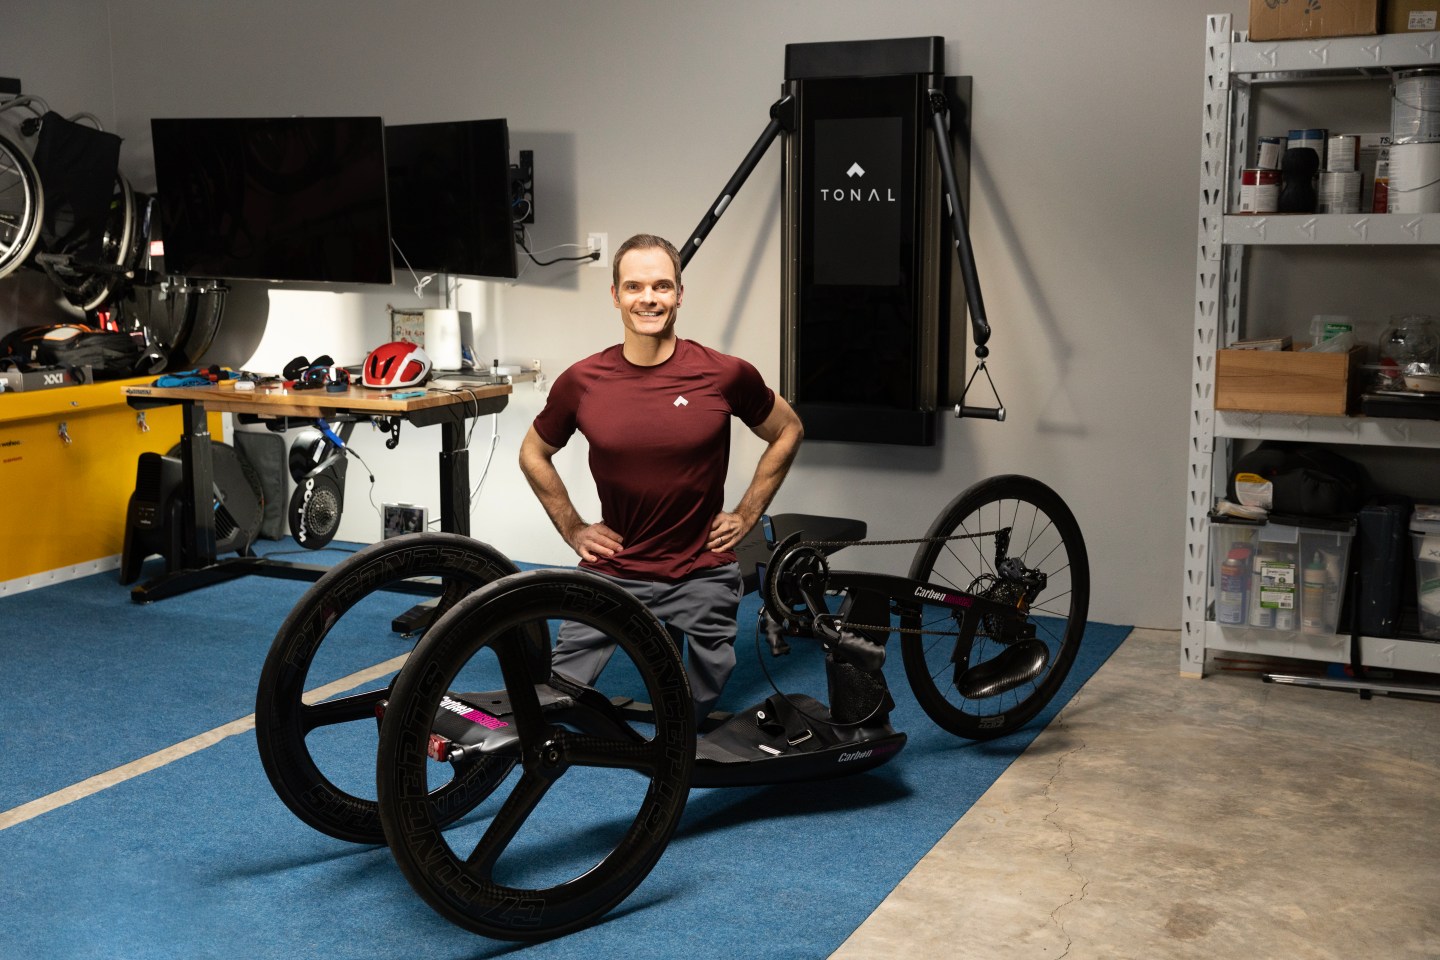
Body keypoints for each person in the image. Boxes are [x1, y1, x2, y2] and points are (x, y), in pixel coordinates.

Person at [518, 233, 804, 726]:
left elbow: (788, 429)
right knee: (556, 697)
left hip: (700, 568)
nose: (648, 298)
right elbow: (533, 452)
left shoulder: (722, 373)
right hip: (617, 567)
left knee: (688, 713)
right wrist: (573, 528)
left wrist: (747, 513)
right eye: (633, 287)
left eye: (661, 286)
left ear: (679, 293)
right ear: (615, 295)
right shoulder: (584, 381)